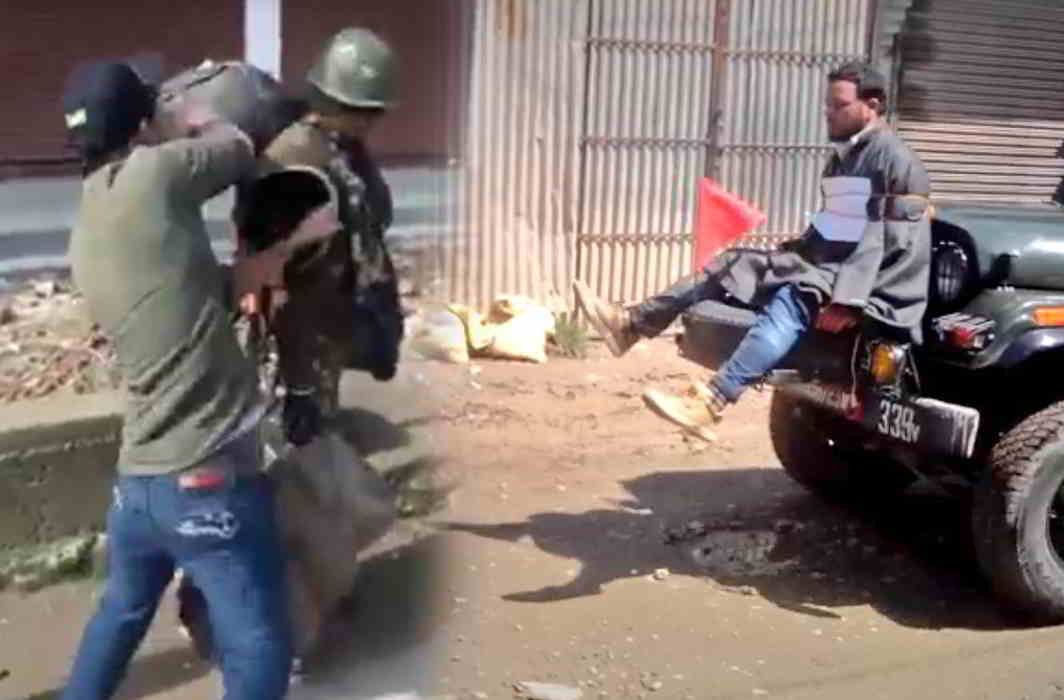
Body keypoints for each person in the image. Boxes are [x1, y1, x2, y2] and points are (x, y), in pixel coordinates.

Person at [58, 60, 305, 700]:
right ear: (141, 124)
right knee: (258, 645)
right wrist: (195, 114)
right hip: (203, 475)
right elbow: (235, 143)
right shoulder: (155, 172)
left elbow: (171, 304)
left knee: (120, 613)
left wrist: (245, 278)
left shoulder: (88, 221)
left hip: (139, 484)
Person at [573, 61, 932, 440]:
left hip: (866, 282)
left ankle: (711, 403)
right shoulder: (843, 157)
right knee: (733, 263)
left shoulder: (895, 159)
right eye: (827, 104)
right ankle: (632, 325)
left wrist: (849, 301)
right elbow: (834, 223)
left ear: (871, 105)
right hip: (827, 264)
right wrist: (792, 252)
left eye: (838, 105)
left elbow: (895, 240)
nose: (828, 112)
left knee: (795, 296)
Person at [235, 26, 403, 447]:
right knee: (300, 452)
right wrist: (300, 387)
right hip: (297, 342)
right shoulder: (293, 160)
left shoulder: (339, 145)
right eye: (370, 111)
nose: (377, 121)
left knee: (321, 438)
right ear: (341, 105)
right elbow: (274, 282)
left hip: (328, 321)